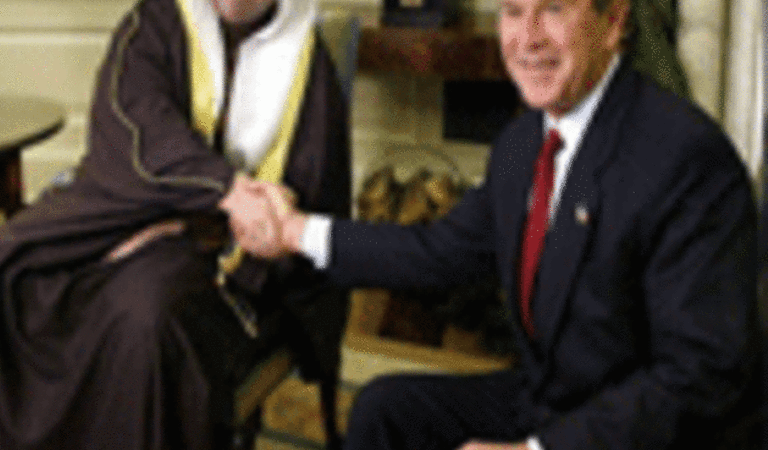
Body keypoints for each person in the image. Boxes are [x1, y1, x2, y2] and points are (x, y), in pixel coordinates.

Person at [229, 0, 764, 448]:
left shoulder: (687, 159)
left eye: (553, 9)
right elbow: (437, 251)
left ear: (613, 22)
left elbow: (700, 379)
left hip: (636, 430)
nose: (527, 38)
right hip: (548, 397)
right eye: (513, 10)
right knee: (383, 411)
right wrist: (295, 231)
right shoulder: (524, 143)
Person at [0, 0, 352, 448]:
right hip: (122, 208)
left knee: (143, 317)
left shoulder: (307, 63)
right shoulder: (155, 22)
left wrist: (202, 223)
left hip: (228, 255)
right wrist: (223, 189)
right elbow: (137, 129)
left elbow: (299, 202)